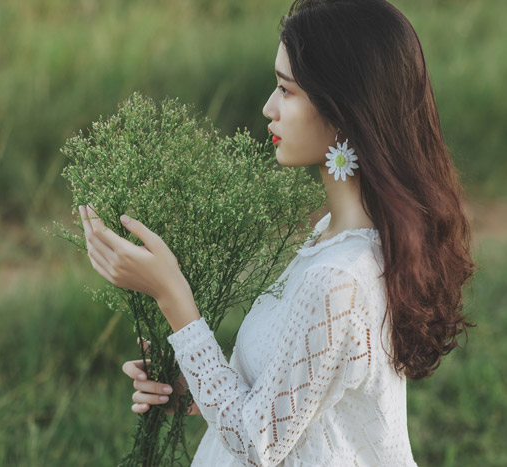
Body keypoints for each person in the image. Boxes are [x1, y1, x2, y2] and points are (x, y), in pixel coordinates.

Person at [77, 0, 475, 464]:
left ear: (343, 109)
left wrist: (173, 297)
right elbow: (294, 406)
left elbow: (259, 442)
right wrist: (192, 384)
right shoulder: (340, 237)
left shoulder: (338, 279)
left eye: (286, 90)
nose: (269, 107)